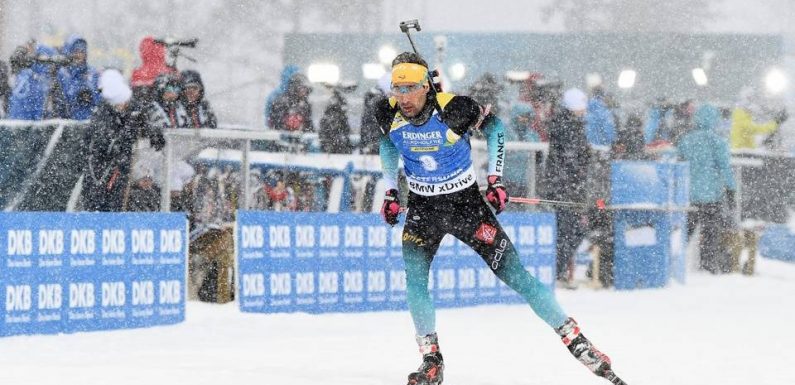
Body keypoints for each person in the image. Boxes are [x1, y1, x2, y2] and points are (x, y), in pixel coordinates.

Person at [374, 52, 621, 385]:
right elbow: (388, 143)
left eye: (409, 89)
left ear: (426, 86)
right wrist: (391, 190)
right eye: (396, 89)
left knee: (517, 277)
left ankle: (577, 341)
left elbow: (497, 130)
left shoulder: (454, 108)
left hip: (467, 208)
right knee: (414, 282)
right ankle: (431, 359)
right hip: (423, 210)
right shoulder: (386, 111)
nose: (402, 98)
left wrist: (496, 178)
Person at [82, 69, 164, 211]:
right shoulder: (101, 116)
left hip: (122, 171)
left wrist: (153, 132)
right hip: (101, 173)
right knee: (100, 208)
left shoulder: (131, 110)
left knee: (123, 203)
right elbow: (107, 144)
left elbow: (143, 123)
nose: (123, 105)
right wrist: (129, 130)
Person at [677, 104, 737, 274]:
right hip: (711, 197)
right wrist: (731, 190)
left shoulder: (685, 140)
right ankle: (707, 265)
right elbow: (725, 168)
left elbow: (678, 162)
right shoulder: (718, 142)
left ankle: (673, 263)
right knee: (710, 233)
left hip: (689, 196)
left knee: (684, 233)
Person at [542, 88, 591, 287]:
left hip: (566, 187)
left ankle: (559, 269)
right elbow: (570, 160)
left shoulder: (568, 125)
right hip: (566, 189)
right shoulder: (569, 127)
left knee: (571, 231)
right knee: (569, 231)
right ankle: (558, 270)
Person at [54, 34, 101, 120]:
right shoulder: (62, 73)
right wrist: (76, 95)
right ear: (69, 52)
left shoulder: (92, 72)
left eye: (82, 51)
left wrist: (90, 96)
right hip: (68, 122)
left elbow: (99, 98)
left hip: (89, 122)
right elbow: (59, 100)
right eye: (76, 51)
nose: (79, 55)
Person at [7, 43, 58, 120]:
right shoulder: (28, 77)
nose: (50, 66)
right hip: (24, 121)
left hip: (27, 121)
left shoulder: (36, 78)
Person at [131, 36, 177, 104]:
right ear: (161, 50)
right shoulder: (169, 71)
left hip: (144, 108)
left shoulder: (137, 73)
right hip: (167, 107)